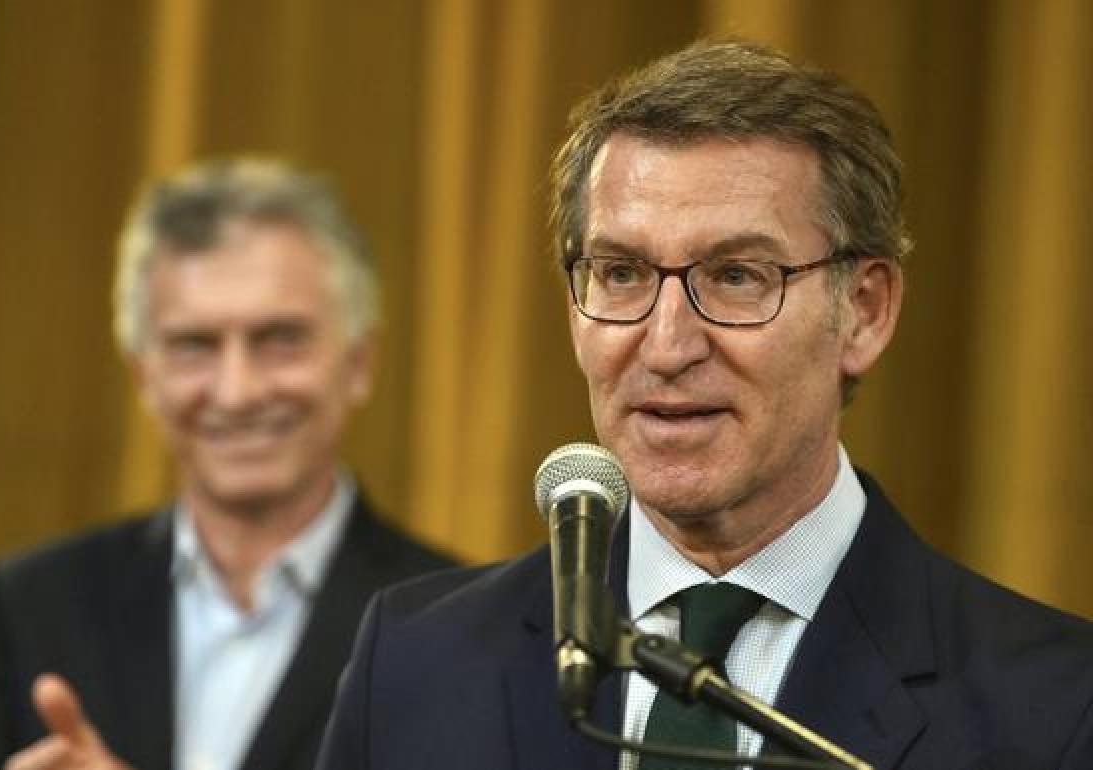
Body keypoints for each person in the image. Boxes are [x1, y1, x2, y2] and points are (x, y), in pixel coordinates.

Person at [315, 40, 1093, 770]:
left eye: (736, 277)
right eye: (621, 274)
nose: (666, 346)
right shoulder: (415, 665)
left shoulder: (1055, 709)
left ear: (864, 311)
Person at [0, 158, 454, 770]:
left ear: (359, 363)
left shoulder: (458, 627)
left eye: (281, 339)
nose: (237, 391)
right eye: (194, 346)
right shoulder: (25, 612)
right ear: (143, 377)